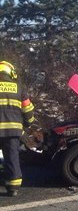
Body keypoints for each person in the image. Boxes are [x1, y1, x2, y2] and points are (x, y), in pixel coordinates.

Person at [0, 61, 36, 197]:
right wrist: (29, 123)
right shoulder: (19, 88)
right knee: (12, 157)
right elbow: (28, 110)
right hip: (13, 131)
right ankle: (13, 188)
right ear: (11, 73)